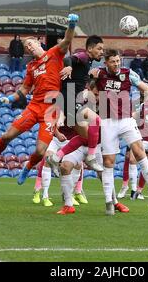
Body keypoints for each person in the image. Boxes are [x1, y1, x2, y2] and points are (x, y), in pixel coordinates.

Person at [0, 14, 79, 185]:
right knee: (7, 135)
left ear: (38, 41)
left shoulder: (54, 53)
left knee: (40, 150)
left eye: (30, 44)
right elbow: (24, 89)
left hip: (51, 110)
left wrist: (72, 25)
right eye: (26, 47)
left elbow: (66, 40)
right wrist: (9, 99)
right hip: (34, 106)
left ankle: (28, 167)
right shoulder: (31, 67)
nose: (29, 47)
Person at [88, 49, 148, 212]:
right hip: (107, 122)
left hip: (126, 120)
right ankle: (109, 202)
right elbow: (87, 85)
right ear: (106, 62)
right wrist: (89, 76)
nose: (116, 64)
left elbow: (147, 90)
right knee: (108, 162)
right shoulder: (99, 73)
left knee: (139, 152)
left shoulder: (128, 74)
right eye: (113, 61)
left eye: (118, 61)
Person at [57, 81, 129, 215]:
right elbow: (69, 116)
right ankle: (68, 205)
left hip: (98, 146)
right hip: (80, 143)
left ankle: (115, 202)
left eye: (98, 95)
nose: (96, 98)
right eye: (94, 94)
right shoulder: (79, 104)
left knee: (104, 175)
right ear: (88, 90)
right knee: (65, 167)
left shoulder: (106, 106)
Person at [45, 35, 105, 174]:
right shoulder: (84, 56)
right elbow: (68, 58)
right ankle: (91, 157)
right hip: (69, 100)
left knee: (86, 137)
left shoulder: (88, 61)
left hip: (72, 99)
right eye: (99, 48)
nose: (102, 51)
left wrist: (89, 77)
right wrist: (69, 67)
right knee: (96, 121)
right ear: (90, 48)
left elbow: (78, 78)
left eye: (103, 49)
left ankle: (56, 157)